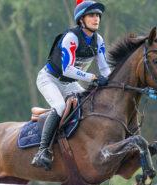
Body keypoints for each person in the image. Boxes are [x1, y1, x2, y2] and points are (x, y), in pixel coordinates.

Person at [31, 0, 111, 170]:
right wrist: (93, 77)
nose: (96, 19)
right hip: (49, 79)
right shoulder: (71, 38)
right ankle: (42, 150)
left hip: (69, 83)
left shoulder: (99, 40)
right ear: (81, 19)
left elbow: (104, 68)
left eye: (98, 15)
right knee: (60, 107)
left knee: (90, 105)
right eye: (91, 15)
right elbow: (67, 69)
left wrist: (114, 82)